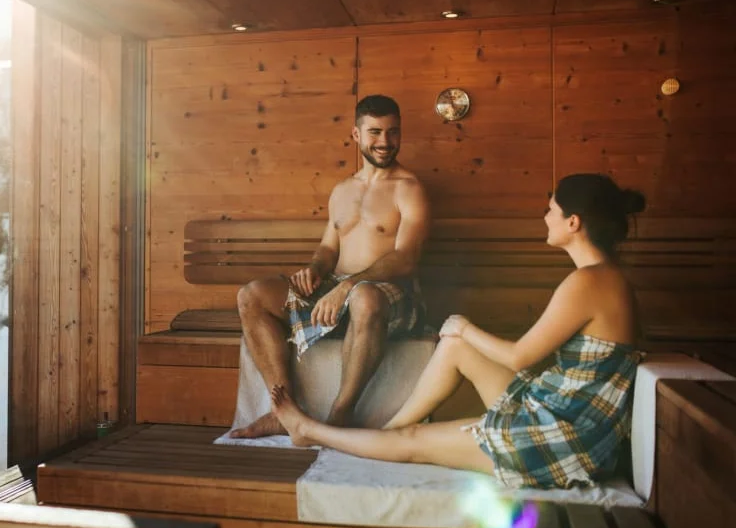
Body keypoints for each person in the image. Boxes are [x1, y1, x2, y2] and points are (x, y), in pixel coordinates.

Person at [268, 173, 646, 489]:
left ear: (573, 222)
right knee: (453, 345)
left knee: (416, 439)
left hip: (564, 440)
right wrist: (461, 334)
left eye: (551, 210)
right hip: (561, 413)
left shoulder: (589, 283)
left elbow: (520, 357)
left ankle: (310, 430)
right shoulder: (604, 278)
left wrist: (465, 326)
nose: (545, 217)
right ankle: (386, 435)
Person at [229, 94, 429, 439]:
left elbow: (406, 258)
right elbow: (328, 247)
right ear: (356, 134)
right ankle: (284, 412)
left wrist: (349, 286)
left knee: (365, 296)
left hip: (387, 296)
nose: (385, 142)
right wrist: (315, 270)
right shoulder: (342, 190)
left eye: (393, 132)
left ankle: (340, 416)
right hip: (337, 290)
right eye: (375, 132)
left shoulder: (409, 189)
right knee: (252, 295)